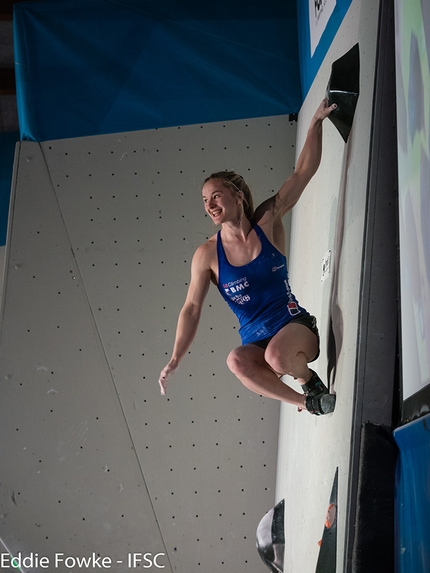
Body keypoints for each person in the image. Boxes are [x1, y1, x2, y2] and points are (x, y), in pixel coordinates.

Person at [158, 99, 337, 415]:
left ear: (237, 195)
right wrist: (175, 358)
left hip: (295, 328)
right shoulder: (206, 254)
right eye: (204, 200)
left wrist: (315, 124)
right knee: (235, 360)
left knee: (278, 357)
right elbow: (191, 309)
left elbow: (302, 172)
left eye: (216, 195)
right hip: (258, 345)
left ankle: (308, 379)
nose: (210, 204)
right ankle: (308, 401)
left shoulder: (267, 221)